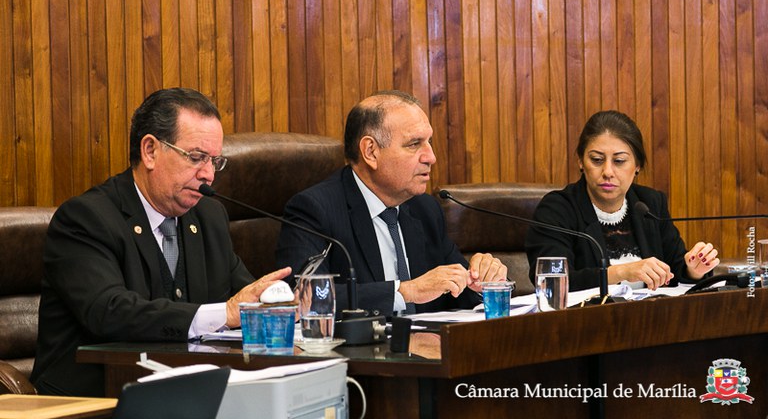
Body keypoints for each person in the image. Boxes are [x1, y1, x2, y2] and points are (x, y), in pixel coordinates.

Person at [31, 88, 292, 396]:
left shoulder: (208, 216)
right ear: (150, 151)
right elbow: (110, 312)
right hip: (96, 397)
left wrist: (279, 302)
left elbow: (241, 297)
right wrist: (225, 314)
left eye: (215, 161)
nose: (208, 174)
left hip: (189, 392)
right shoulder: (86, 218)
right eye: (196, 157)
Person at [276, 90, 507, 317]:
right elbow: (303, 298)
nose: (431, 157)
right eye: (414, 144)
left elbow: (457, 291)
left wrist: (484, 282)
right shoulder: (315, 210)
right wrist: (406, 291)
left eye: (429, 142)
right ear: (371, 152)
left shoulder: (425, 209)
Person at [525, 110, 720, 292]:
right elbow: (551, 282)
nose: (608, 172)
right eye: (597, 160)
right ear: (581, 162)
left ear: (637, 165)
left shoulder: (650, 203)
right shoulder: (557, 209)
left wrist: (693, 269)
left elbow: (676, 267)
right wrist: (622, 272)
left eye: (619, 161)